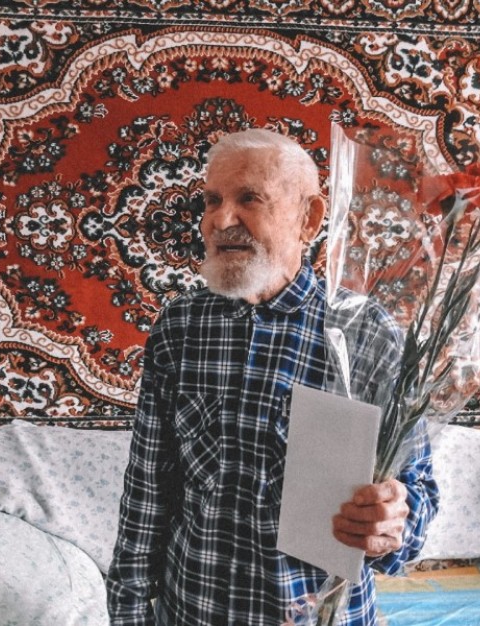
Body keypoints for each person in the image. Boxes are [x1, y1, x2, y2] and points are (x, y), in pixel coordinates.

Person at [106, 128, 439, 625]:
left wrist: (392, 524)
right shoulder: (180, 326)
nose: (220, 220)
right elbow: (147, 491)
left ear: (309, 218)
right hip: (192, 611)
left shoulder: (366, 334)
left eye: (249, 199)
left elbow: (419, 495)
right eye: (212, 201)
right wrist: (129, 614)